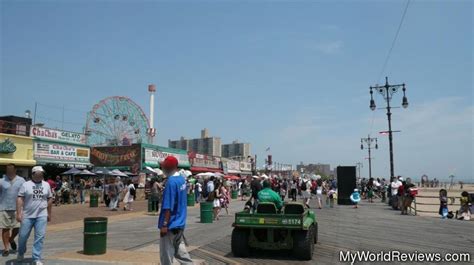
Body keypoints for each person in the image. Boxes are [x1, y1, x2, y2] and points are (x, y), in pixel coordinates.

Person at [158, 156, 193, 265]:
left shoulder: (171, 182)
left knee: (166, 257)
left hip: (170, 225)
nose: (162, 168)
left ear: (167, 168)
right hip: (180, 224)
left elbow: (168, 207)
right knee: (181, 254)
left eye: (163, 166)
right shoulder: (181, 179)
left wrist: (164, 225)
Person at [16, 166, 53, 265]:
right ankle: (20, 252)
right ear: (33, 174)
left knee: (40, 237)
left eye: (42, 173)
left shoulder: (46, 185)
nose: (41, 175)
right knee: (22, 237)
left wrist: (49, 213)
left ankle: (36, 258)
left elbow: (50, 198)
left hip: (41, 215)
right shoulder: (26, 185)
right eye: (38, 173)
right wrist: (19, 213)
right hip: (27, 215)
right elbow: (20, 199)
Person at [0, 164, 25, 257]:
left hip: (17, 208)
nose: (9, 172)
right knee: (5, 228)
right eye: (7, 170)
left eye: (11, 170)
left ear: (15, 170)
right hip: (3, 207)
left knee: (17, 227)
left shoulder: (21, 180)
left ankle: (11, 239)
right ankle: (6, 248)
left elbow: (25, 194)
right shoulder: (1, 181)